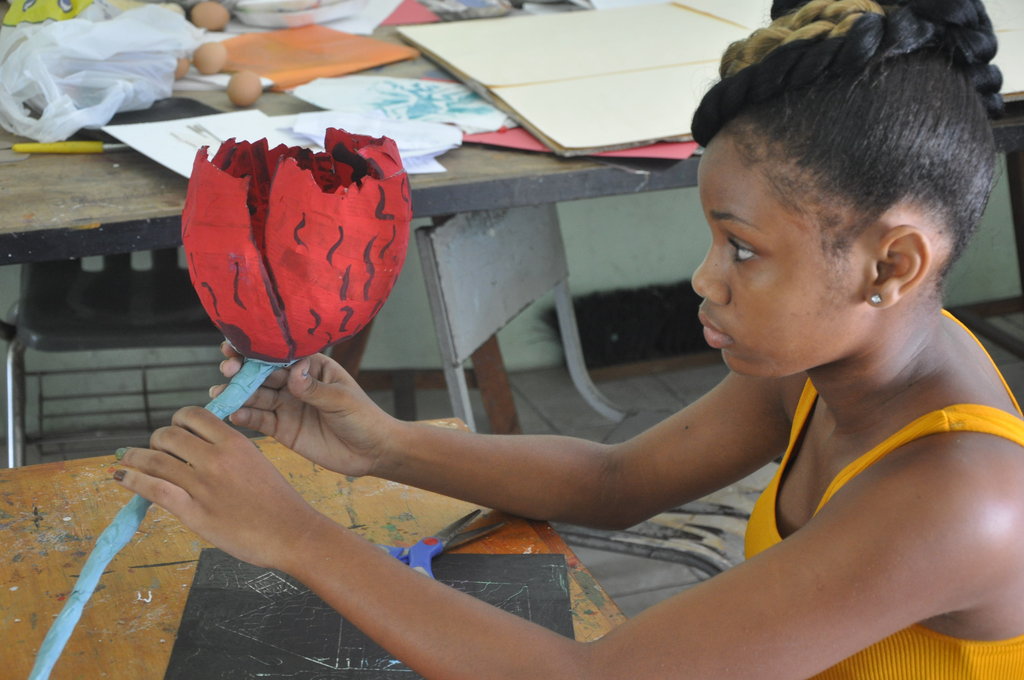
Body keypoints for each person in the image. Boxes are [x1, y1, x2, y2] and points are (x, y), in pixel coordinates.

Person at [115, 0, 1024, 677]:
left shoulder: (961, 499)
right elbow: (618, 481)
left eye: (743, 250)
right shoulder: (833, 361)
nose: (705, 280)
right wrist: (382, 445)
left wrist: (295, 536)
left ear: (892, 265)